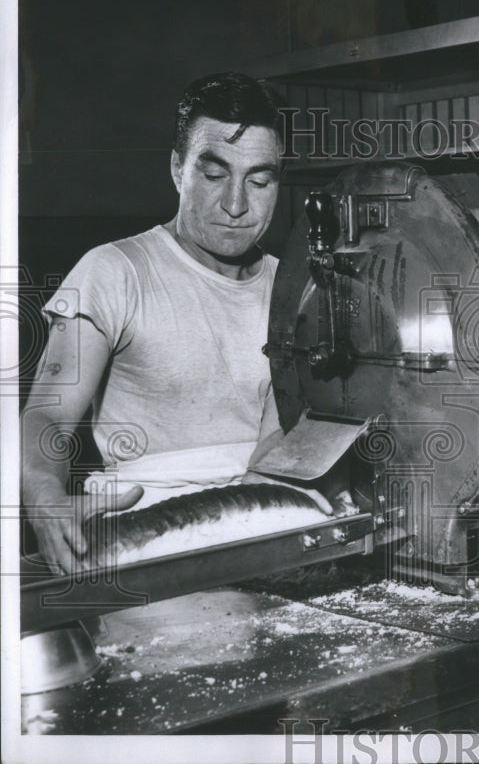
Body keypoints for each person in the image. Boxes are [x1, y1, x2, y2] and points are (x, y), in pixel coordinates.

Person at [21, 71, 330, 576]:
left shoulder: (296, 288)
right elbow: (46, 417)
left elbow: (281, 438)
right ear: (177, 169)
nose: (235, 204)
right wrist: (43, 496)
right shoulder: (112, 271)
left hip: (258, 522)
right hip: (139, 535)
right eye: (213, 176)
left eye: (259, 180)